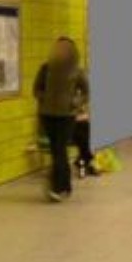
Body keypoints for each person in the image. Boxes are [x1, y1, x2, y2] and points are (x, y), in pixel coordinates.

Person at [33, 37, 89, 202]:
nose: (61, 51)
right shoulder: (46, 68)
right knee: (57, 150)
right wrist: (44, 98)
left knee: (59, 150)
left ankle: (57, 187)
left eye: (65, 48)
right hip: (47, 115)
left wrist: (75, 102)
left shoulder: (77, 71)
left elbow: (86, 92)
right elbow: (36, 89)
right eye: (59, 48)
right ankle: (65, 186)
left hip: (66, 116)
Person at [71, 81, 100, 178]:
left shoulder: (83, 99)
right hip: (69, 130)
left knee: (86, 129)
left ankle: (82, 162)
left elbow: (86, 114)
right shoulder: (67, 98)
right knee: (84, 129)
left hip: (81, 129)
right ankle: (89, 162)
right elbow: (69, 116)